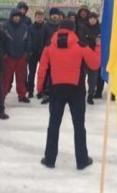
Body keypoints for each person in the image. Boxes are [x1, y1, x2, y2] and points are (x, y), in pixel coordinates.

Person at [38, 19, 100, 170]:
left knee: (53, 125)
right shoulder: (81, 46)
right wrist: (98, 46)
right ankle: (82, 160)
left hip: (56, 90)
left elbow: (42, 69)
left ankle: (50, 159)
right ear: (73, 30)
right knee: (79, 126)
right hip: (76, 90)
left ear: (59, 29)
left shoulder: (49, 46)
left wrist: (39, 88)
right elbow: (95, 64)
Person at [2, 8, 30, 103]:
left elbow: (28, 41)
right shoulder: (5, 26)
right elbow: (1, 41)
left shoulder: (24, 27)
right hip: (8, 57)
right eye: (15, 16)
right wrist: (4, 54)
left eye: (18, 16)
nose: (17, 18)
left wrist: (26, 53)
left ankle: (22, 95)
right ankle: (2, 96)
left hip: (21, 57)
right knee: (6, 78)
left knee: (21, 77)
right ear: (11, 17)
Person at [78, 12, 101, 105]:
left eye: (94, 18)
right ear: (88, 19)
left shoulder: (99, 28)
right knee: (82, 76)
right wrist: (94, 39)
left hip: (95, 56)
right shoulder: (83, 27)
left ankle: (91, 95)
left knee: (93, 77)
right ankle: (81, 93)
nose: (93, 20)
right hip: (84, 55)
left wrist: (91, 38)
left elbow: (100, 39)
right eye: (91, 18)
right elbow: (82, 40)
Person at [27, 10, 46, 98]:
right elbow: (28, 40)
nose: (40, 19)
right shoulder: (30, 28)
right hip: (33, 53)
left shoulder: (46, 27)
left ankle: (41, 91)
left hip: (43, 53)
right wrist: (29, 51)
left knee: (42, 73)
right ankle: (30, 91)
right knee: (31, 73)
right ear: (35, 17)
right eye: (38, 17)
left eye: (41, 17)